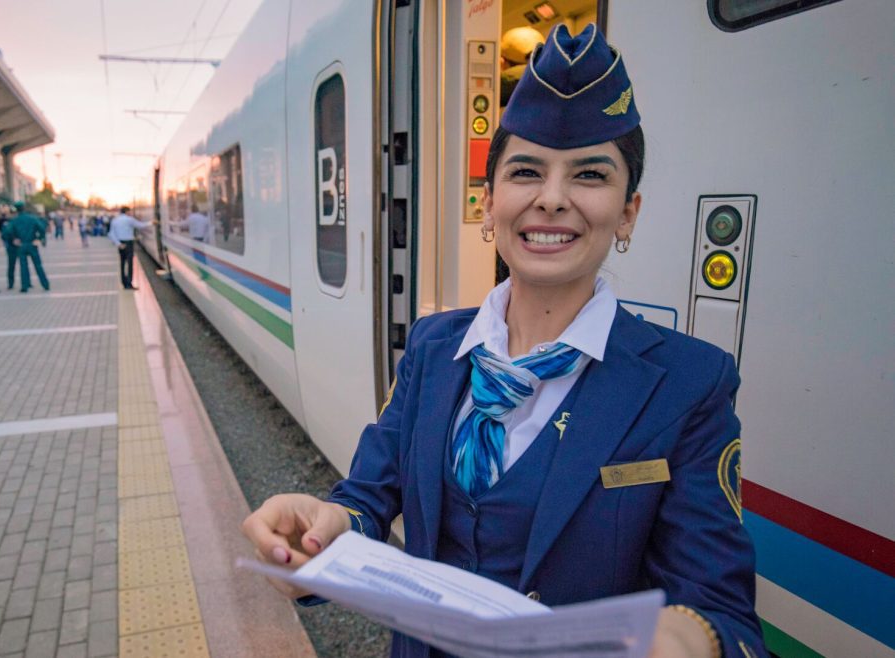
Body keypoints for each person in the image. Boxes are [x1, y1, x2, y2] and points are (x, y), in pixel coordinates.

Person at [242, 24, 764, 658]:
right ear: (490, 203)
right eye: (526, 172)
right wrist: (328, 530)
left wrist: (689, 639)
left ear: (628, 211)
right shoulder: (435, 347)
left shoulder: (689, 381)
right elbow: (369, 496)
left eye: (590, 175)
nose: (551, 199)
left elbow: (724, 611)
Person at [0, 200, 50, 293]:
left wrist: (13, 239)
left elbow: (6, 233)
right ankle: (45, 284)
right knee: (38, 265)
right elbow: (42, 228)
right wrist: (39, 238)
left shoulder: (14, 220)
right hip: (32, 244)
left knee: (23, 266)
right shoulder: (32, 218)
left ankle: (24, 286)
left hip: (21, 245)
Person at [108, 206, 153, 290]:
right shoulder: (129, 219)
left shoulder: (115, 220)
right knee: (130, 264)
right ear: (127, 212)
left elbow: (111, 233)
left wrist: (118, 244)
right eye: (130, 211)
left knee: (122, 263)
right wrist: (151, 223)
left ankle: (124, 283)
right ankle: (129, 283)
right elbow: (140, 225)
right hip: (128, 243)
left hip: (120, 243)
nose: (131, 213)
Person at [0, 213, 19, 290]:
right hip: (18, 246)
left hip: (12, 247)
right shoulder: (15, 223)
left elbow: (3, 235)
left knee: (11, 266)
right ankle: (26, 283)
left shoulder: (8, 224)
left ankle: (11, 283)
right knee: (23, 265)